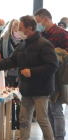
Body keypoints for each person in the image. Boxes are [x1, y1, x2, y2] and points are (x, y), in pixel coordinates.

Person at [0, 15, 59, 140]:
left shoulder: (44, 45)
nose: (18, 31)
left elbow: (53, 66)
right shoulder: (23, 45)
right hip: (26, 88)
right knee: (23, 119)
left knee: (42, 120)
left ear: (29, 28)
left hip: (41, 90)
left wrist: (32, 71)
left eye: (20, 28)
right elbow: (9, 61)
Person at [34, 8, 68, 140]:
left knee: (56, 110)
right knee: (47, 111)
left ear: (45, 19)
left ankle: (59, 137)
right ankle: (50, 137)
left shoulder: (62, 34)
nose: (37, 25)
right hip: (44, 78)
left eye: (38, 21)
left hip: (57, 79)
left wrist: (54, 57)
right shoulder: (42, 35)